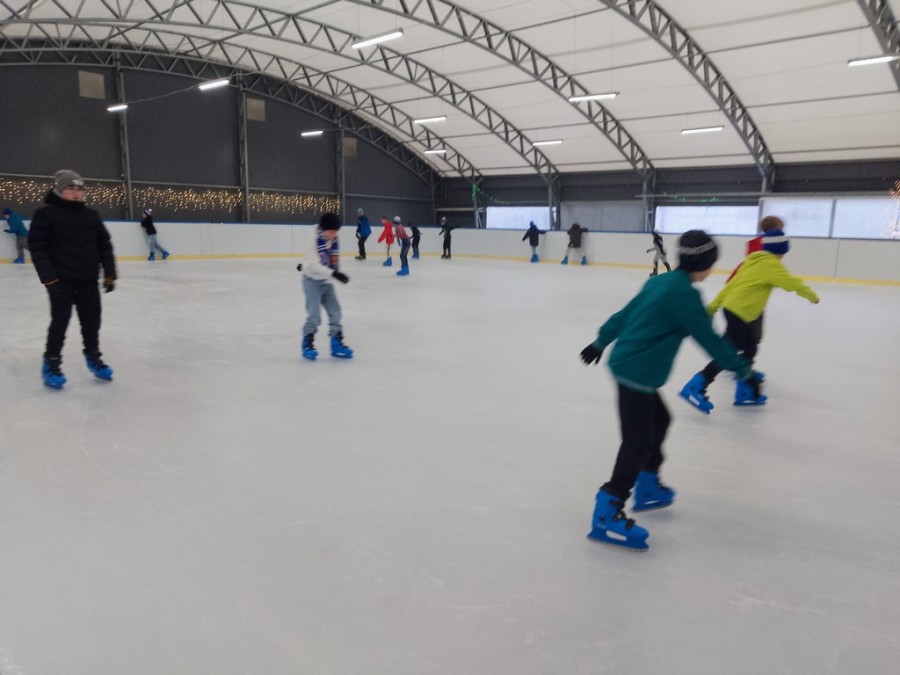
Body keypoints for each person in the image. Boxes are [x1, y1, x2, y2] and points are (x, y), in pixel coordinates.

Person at [579, 230, 755, 551]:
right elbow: (711, 341)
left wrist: (600, 342)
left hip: (633, 367)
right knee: (637, 441)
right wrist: (744, 370)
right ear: (705, 264)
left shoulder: (661, 282)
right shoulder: (685, 296)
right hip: (637, 372)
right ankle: (608, 508)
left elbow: (625, 314)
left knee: (661, 421)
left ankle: (647, 484)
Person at [679, 228, 819, 413]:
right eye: (783, 253)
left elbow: (731, 286)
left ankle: (745, 390)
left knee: (750, 348)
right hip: (741, 313)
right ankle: (697, 385)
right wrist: (810, 295)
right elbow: (791, 282)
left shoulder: (751, 261)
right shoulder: (771, 264)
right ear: (780, 251)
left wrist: (714, 306)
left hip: (735, 310)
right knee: (728, 353)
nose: (782, 257)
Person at [28, 170, 117, 389]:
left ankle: (94, 357)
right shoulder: (45, 214)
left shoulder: (91, 215)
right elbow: (39, 249)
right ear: (59, 190)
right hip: (61, 282)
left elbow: (104, 245)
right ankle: (51, 364)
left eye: (79, 189)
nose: (76, 193)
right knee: (60, 323)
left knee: (92, 322)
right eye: (70, 188)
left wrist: (109, 273)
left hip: (88, 280)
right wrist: (49, 280)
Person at [300, 213, 353, 361]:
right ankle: (307, 344)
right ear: (324, 229)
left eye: (336, 231)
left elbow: (334, 259)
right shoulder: (313, 239)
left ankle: (336, 344)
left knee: (335, 311)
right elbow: (313, 265)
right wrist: (333, 273)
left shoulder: (333, 239)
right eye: (332, 231)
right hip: (311, 281)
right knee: (314, 315)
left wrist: (337, 272)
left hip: (325, 281)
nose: (335, 235)